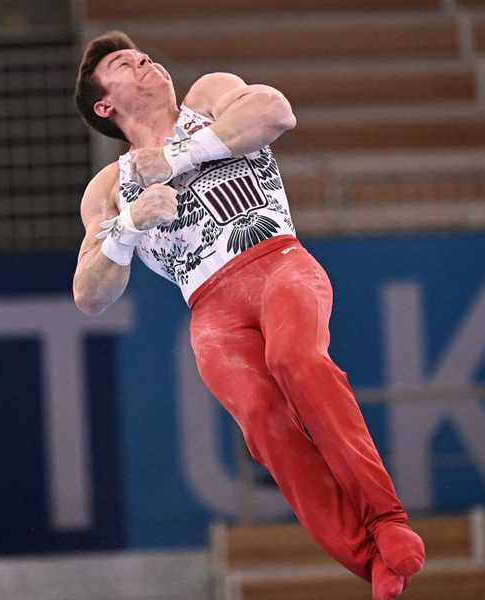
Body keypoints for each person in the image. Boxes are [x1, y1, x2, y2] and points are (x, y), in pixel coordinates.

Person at [71, 31, 425, 600]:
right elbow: (89, 296)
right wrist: (131, 225)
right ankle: (369, 559)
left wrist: (177, 157)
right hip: (211, 310)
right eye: (120, 64)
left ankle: (386, 517)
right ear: (104, 106)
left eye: (140, 53)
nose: (142, 59)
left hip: (279, 265)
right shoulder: (109, 189)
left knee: (295, 358)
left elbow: (275, 111)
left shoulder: (209, 98)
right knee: (262, 420)